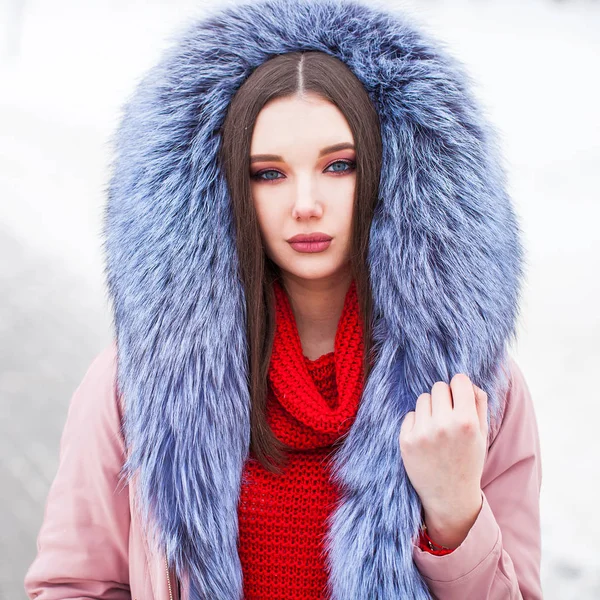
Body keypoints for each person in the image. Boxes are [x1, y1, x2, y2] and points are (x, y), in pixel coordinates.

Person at [24, 0, 543, 598]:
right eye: (268, 173)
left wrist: (456, 515)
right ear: (225, 191)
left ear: (388, 172)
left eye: (339, 165)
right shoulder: (139, 383)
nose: (305, 203)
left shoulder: (475, 394)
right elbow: (75, 585)